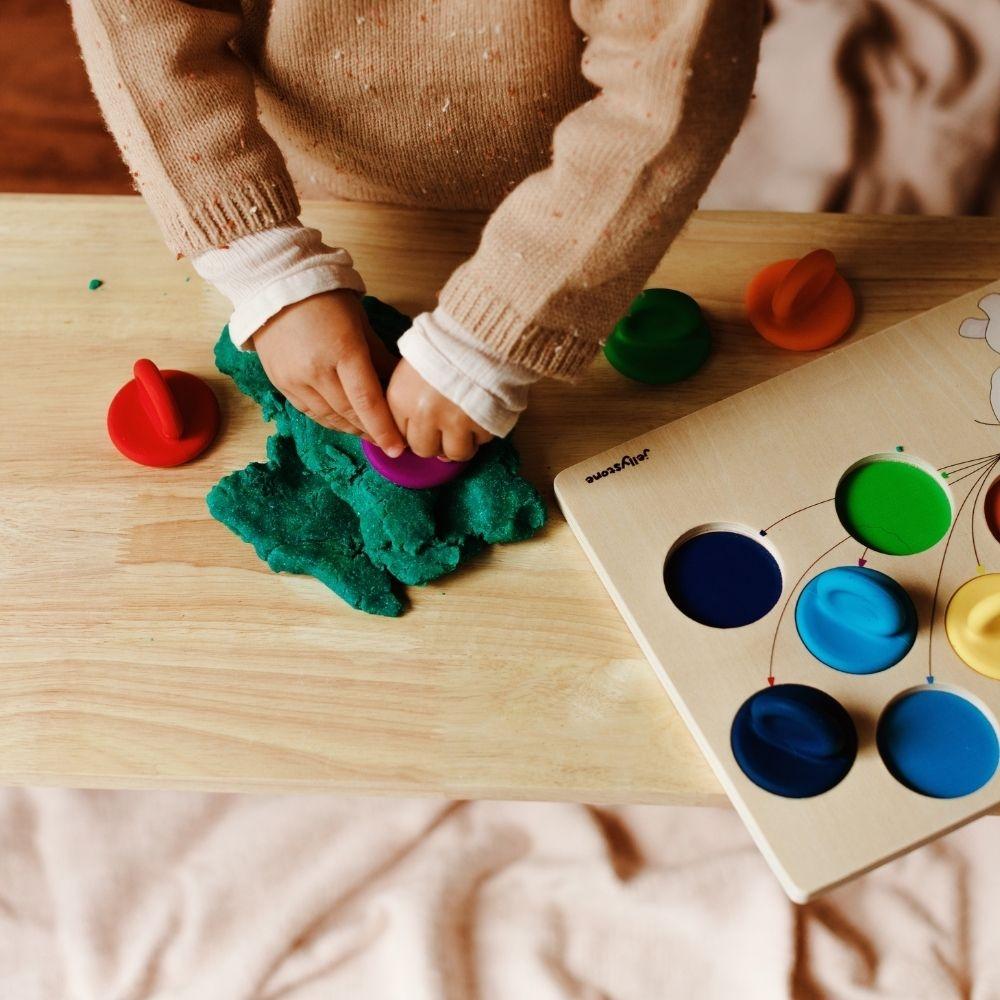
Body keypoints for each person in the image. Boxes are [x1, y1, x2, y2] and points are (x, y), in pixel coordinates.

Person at [72, 0, 761, 461]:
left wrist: (493, 335)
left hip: (586, 200)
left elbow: (670, 90)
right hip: (313, 181)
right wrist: (265, 263)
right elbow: (137, 24)